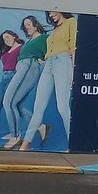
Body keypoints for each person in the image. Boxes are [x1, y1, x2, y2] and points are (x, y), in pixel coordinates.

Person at [19, 11, 76, 151]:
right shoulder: (54, 29)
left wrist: (73, 74)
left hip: (63, 62)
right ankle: (24, 146)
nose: (51, 15)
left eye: (52, 12)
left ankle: (74, 144)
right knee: (38, 107)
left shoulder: (71, 22)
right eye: (49, 13)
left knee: (62, 107)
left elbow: (73, 48)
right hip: (48, 63)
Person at [1, 15, 47, 150]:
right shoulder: (29, 41)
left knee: (8, 102)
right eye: (24, 26)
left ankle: (16, 137)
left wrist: (41, 61)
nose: (26, 27)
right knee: (18, 105)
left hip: (28, 66)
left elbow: (48, 53)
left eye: (28, 24)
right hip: (22, 67)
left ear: (35, 24)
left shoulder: (43, 38)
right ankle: (41, 126)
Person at [0, 29, 23, 144]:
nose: (6, 40)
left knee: (13, 105)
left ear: (14, 36)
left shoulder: (22, 47)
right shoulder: (6, 51)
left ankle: (16, 133)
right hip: (4, 77)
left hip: (14, 76)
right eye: (4, 39)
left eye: (7, 37)